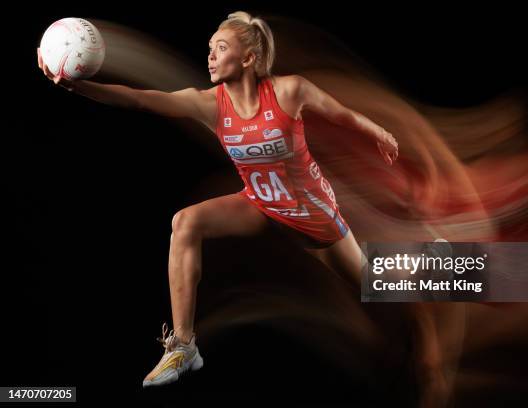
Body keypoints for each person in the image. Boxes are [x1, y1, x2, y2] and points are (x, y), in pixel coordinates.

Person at [37, 10, 399, 388]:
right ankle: (183, 346)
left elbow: (339, 114)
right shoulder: (209, 104)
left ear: (248, 58)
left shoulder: (289, 90)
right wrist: (76, 87)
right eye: (210, 48)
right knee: (185, 222)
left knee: (374, 282)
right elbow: (140, 100)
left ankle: (449, 267)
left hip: (311, 214)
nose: (210, 55)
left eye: (221, 48)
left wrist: (379, 134)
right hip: (260, 204)